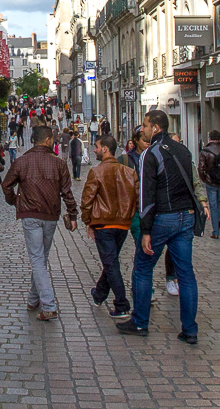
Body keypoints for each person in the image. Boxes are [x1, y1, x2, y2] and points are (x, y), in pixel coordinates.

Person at [118, 110, 210, 341]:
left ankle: (140, 322)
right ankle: (190, 330)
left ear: (156, 128)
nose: (142, 129)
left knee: (142, 267)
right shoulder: (183, 150)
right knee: (186, 274)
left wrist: (146, 230)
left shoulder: (151, 153)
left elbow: (146, 196)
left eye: (146, 126)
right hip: (185, 217)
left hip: (163, 218)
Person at [1, 124, 78, 321]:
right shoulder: (59, 163)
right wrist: (73, 214)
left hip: (30, 215)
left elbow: (6, 184)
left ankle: (45, 303)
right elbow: (67, 192)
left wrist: (15, 201)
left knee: (38, 259)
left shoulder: (22, 161)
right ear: (47, 140)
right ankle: (35, 300)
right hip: (50, 215)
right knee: (40, 258)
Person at [81, 134, 137, 320]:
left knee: (111, 264)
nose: (94, 150)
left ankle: (121, 304)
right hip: (122, 224)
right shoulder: (129, 172)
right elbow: (136, 199)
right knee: (110, 261)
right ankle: (99, 294)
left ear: (105, 149)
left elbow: (87, 200)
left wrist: (88, 221)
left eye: (97, 147)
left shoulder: (96, 172)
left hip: (104, 223)